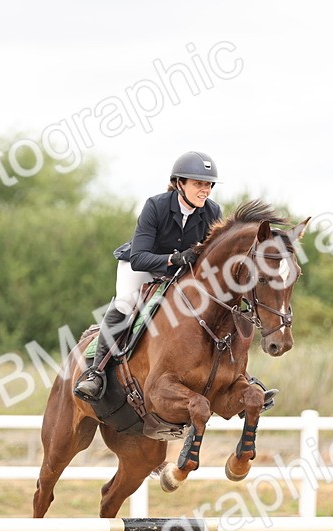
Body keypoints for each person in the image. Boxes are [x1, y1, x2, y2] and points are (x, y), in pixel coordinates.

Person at [73, 151, 224, 401]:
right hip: (141, 266)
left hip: (180, 273)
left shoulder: (211, 212)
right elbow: (139, 257)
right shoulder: (156, 206)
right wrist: (172, 259)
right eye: (198, 184)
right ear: (179, 184)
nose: (205, 190)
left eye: (208, 185)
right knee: (126, 303)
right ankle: (95, 372)